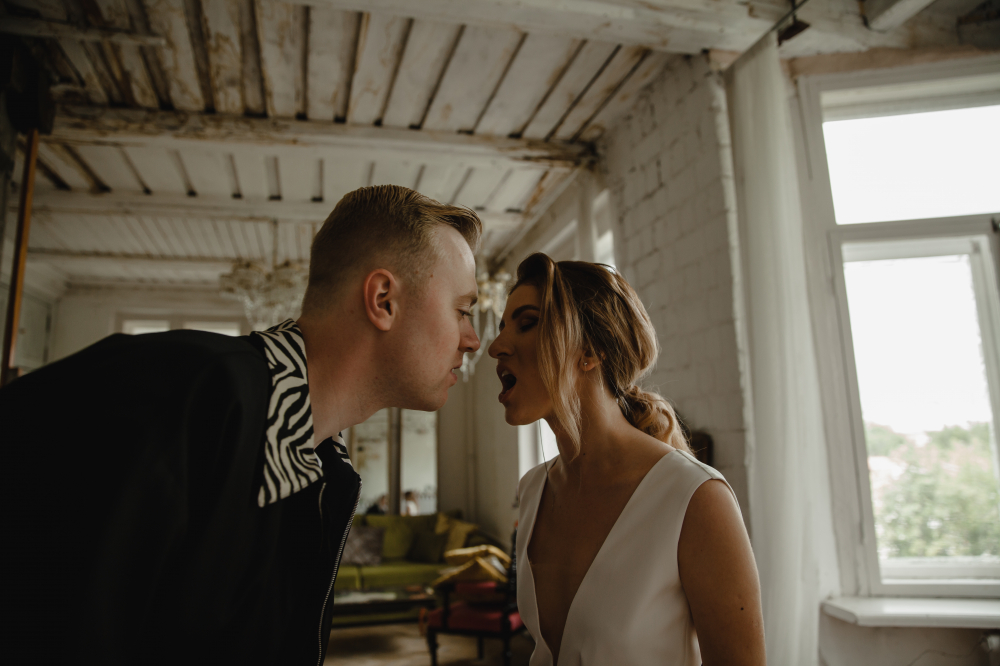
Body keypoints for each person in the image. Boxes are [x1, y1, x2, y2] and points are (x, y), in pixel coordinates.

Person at [0, 186, 481, 665]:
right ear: (383, 299)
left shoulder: (322, 471)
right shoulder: (172, 391)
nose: (473, 339)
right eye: (462, 310)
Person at [488, 253, 765, 666]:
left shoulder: (696, 499)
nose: (495, 347)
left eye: (527, 323)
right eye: (501, 328)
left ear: (590, 351)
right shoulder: (533, 490)